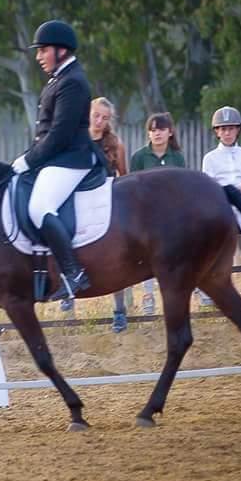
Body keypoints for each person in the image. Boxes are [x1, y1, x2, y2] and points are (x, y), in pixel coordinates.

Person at [11, 20, 96, 302]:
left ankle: (74, 273)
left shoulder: (73, 82)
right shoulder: (59, 79)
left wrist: (28, 160)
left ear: (61, 50)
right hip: (56, 160)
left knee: (39, 208)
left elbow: (59, 134)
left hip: (71, 159)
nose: (38, 57)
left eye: (43, 50)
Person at [200, 106, 241, 305]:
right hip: (222, 202)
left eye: (231, 128)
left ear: (238, 130)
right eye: (223, 129)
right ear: (216, 131)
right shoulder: (210, 158)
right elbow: (208, 189)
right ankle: (211, 284)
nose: (227, 133)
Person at [129, 112, 187, 314]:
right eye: (152, 130)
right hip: (146, 216)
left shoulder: (177, 157)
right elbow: (132, 187)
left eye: (161, 129)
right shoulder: (139, 157)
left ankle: (189, 289)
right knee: (149, 255)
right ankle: (148, 296)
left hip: (172, 215)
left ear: (170, 132)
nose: (157, 134)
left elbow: (181, 189)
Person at [89, 97, 130, 332]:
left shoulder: (115, 144)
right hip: (81, 197)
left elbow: (123, 176)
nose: (99, 121)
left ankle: (119, 311)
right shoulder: (77, 140)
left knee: (118, 256)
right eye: (96, 115)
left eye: (105, 118)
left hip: (107, 200)